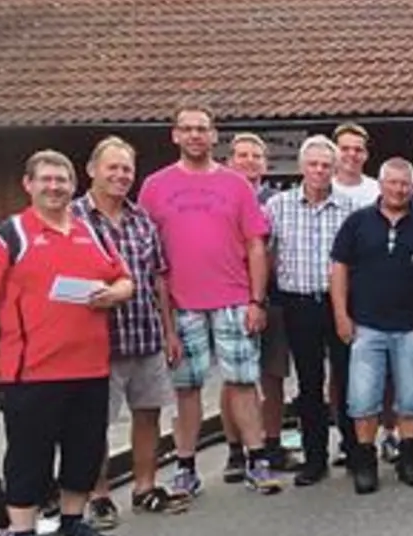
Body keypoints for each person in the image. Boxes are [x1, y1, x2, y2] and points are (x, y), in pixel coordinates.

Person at [0, 150, 133, 536]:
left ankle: (72, 524)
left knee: (84, 452)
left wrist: (117, 293)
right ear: (28, 184)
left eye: (62, 180)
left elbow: (123, 277)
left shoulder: (89, 232)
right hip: (31, 370)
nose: (55, 187)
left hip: (89, 367)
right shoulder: (8, 235)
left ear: (73, 185)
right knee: (29, 457)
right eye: (46, 179)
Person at [139, 105, 276, 494]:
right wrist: (164, 320)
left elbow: (255, 245)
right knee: (187, 389)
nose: (196, 135)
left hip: (233, 298)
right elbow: (149, 254)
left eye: (202, 129)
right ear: (175, 135)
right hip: (182, 303)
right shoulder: (154, 186)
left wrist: (256, 300)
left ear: (215, 136)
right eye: (188, 129)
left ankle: (257, 459)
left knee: (243, 382)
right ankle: (186, 466)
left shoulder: (236, 184)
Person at [72, 138, 189, 526]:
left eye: (126, 169)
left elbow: (159, 279)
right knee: (94, 423)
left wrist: (169, 331)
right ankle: (99, 495)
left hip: (144, 333)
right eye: (113, 168)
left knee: (147, 415)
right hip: (95, 341)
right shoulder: (73, 219)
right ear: (92, 170)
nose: (121, 176)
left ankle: (144, 488)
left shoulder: (141, 219)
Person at [330, 158, 413, 493]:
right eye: (393, 183)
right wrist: (341, 315)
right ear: (381, 184)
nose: (399, 189)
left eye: (404, 184)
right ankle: (365, 462)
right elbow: (339, 268)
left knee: (409, 399)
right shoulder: (357, 223)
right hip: (366, 326)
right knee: (362, 399)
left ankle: (409, 459)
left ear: (411, 187)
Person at [264, 136, 356, 486]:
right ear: (302, 167)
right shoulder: (278, 206)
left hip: (341, 305)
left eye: (325, 165)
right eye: (313, 164)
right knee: (309, 384)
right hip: (298, 304)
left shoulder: (350, 209)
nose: (319, 171)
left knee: (347, 380)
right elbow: (265, 254)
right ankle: (314, 457)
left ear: (335, 169)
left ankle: (353, 448)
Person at [225, 133, 294, 475]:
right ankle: (236, 449)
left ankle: (272, 442)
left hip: (273, 297)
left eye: (256, 156)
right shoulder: (221, 198)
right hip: (231, 296)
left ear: (266, 164)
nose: (249, 161)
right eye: (242, 155)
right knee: (234, 377)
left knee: (273, 374)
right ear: (229, 161)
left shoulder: (276, 202)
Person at [331, 122, 380, 209]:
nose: (352, 154)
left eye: (358, 150)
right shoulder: (323, 189)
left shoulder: (378, 191)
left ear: (366, 154)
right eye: (345, 149)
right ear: (333, 153)